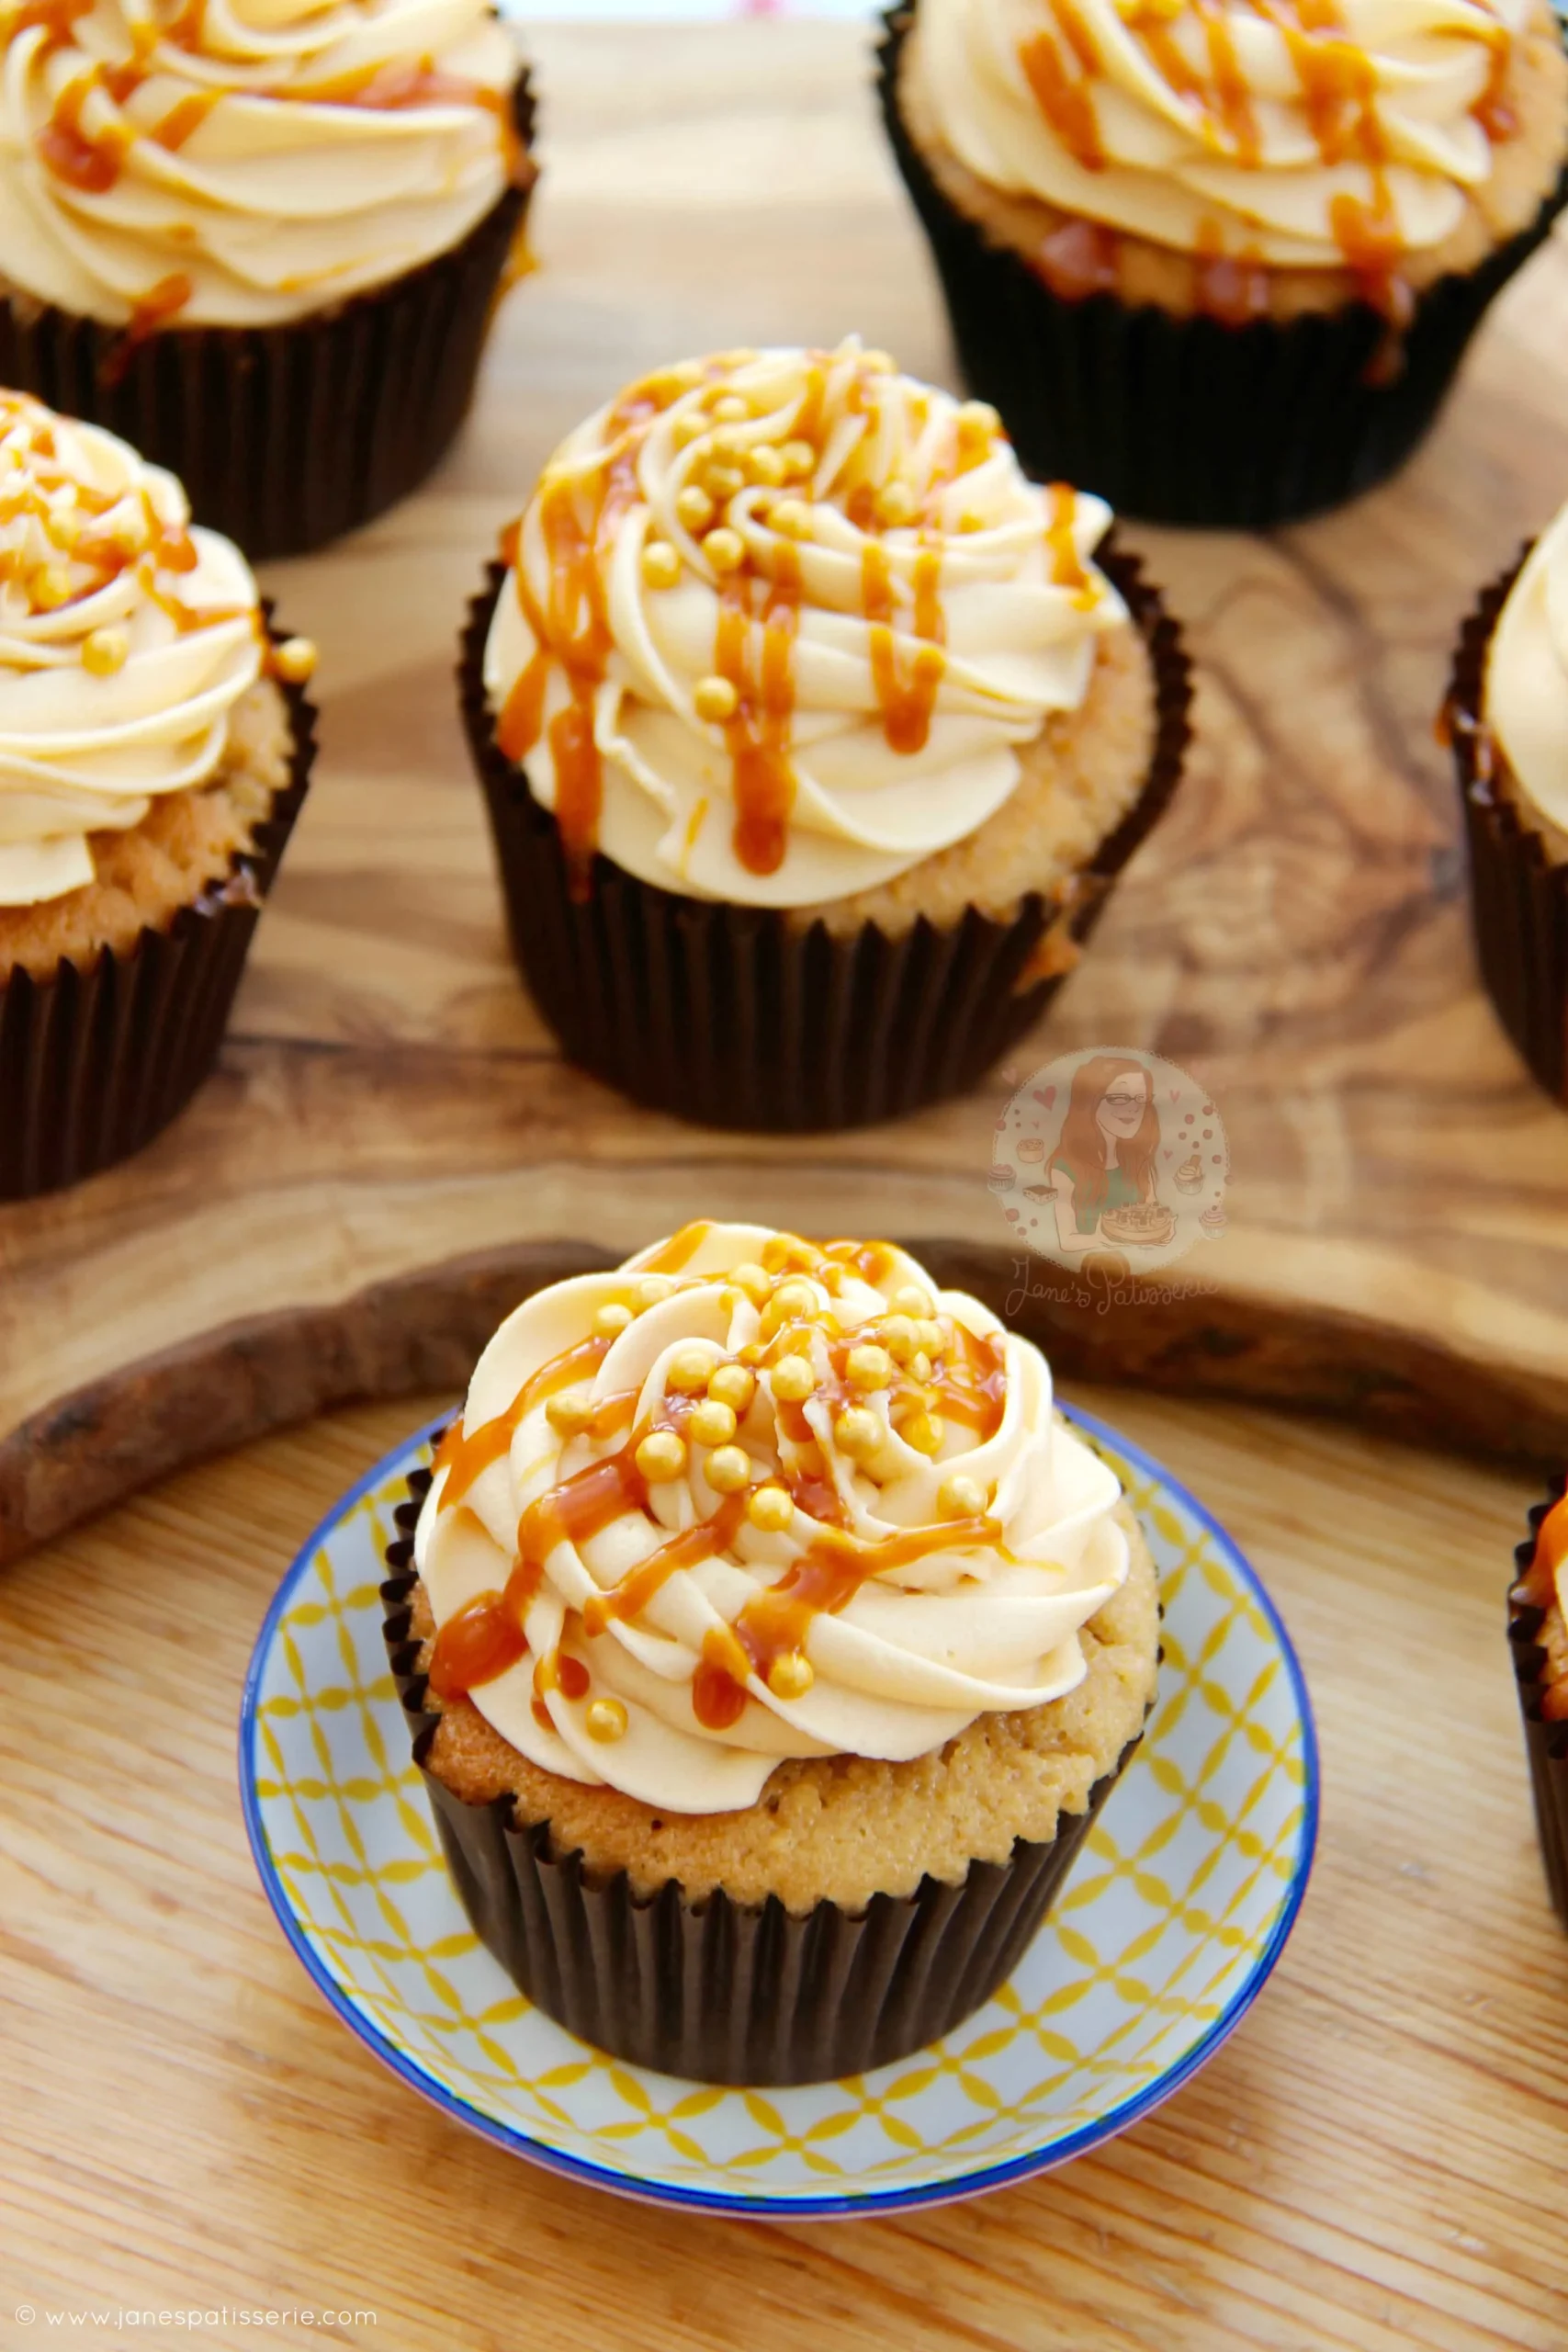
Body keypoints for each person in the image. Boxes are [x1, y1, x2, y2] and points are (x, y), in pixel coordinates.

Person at [1042, 1054, 1161, 1256]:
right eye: (1120, 1097)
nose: (1133, 1108)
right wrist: (1102, 1240)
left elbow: (1154, 1217)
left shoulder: (1139, 1159)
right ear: (1090, 1101)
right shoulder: (1065, 1166)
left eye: (1141, 1098)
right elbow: (1067, 1240)